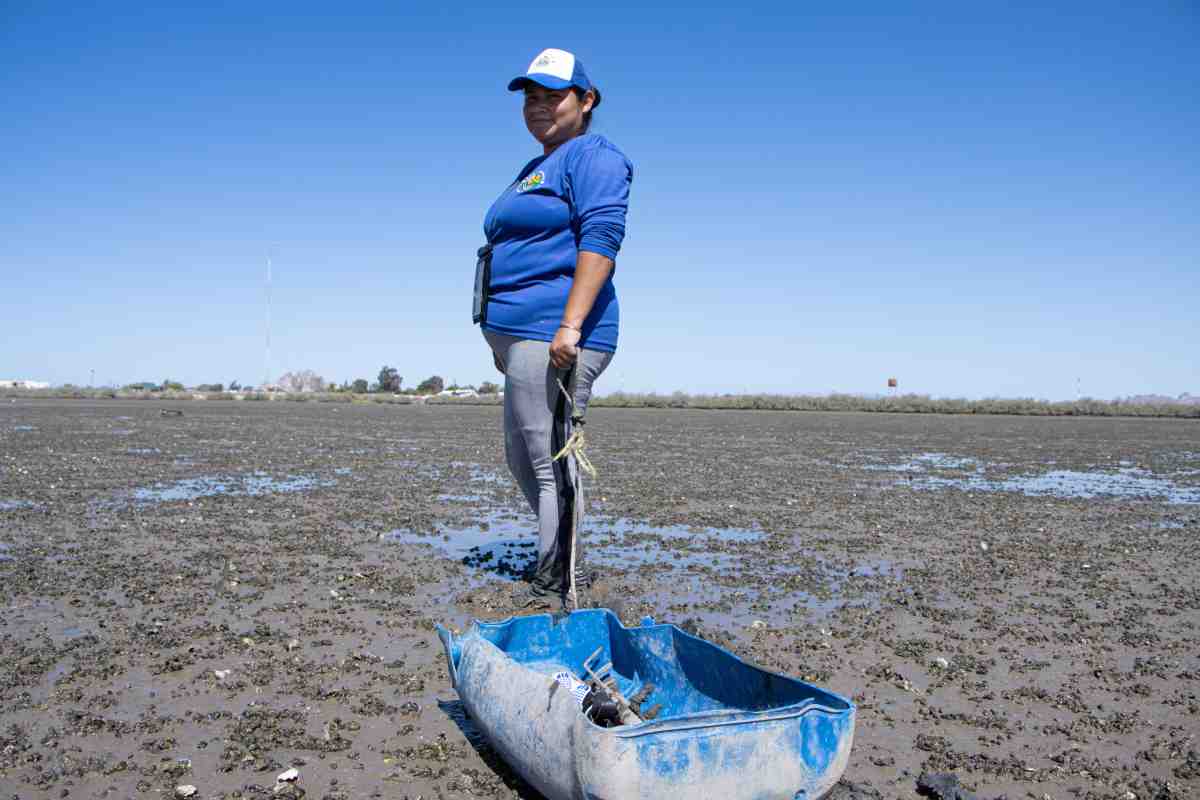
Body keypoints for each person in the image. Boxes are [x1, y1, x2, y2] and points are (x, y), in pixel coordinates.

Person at [475, 48, 633, 609]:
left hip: (556, 335)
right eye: (530, 97)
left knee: (550, 464)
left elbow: (601, 240)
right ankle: (566, 558)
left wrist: (570, 326)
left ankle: (559, 582)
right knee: (523, 460)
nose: (538, 107)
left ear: (586, 101)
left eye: (552, 95)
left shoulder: (593, 156)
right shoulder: (536, 168)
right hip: (519, 337)